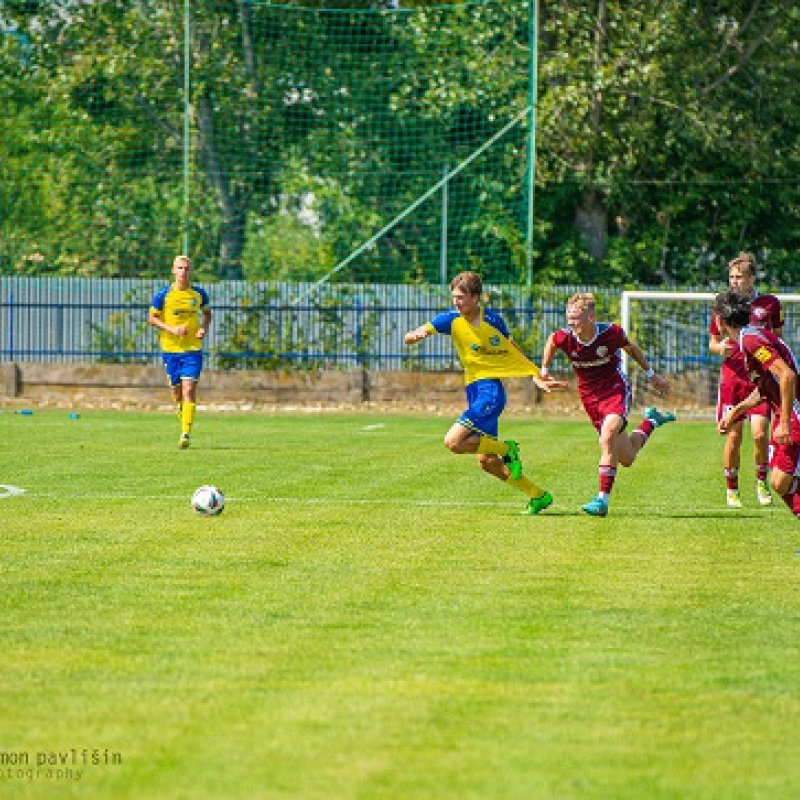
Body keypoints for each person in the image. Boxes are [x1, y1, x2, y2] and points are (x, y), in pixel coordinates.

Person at [403, 271, 567, 515]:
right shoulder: (450, 320)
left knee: (453, 442)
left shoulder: (492, 321)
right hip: (473, 389)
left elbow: (511, 352)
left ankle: (507, 449)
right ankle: (538, 495)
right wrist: (415, 337)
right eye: (454, 297)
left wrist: (535, 375)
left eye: (461, 297)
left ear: (476, 297)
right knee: (487, 462)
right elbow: (412, 334)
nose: (456, 302)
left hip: (490, 392)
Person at [540, 292, 675, 518]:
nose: (572, 323)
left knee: (607, 435)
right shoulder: (565, 338)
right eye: (569, 318)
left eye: (576, 318)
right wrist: (544, 370)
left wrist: (651, 374)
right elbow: (552, 342)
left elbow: (631, 348)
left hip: (614, 389)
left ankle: (601, 501)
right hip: (589, 397)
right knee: (627, 457)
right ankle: (652, 420)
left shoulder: (611, 333)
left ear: (591, 317)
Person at [715, 290, 800, 522]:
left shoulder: (751, 341)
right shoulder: (749, 338)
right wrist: (736, 411)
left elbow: (787, 376)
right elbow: (764, 389)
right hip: (788, 412)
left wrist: (783, 423)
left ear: (719, 321)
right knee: (778, 482)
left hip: (794, 414)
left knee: (781, 481)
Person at [708, 252, 783, 508]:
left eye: (739, 277)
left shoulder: (769, 304)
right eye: (731, 277)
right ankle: (732, 489)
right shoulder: (723, 305)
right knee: (733, 436)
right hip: (732, 378)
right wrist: (720, 349)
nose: (735, 281)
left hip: (759, 378)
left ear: (752, 278)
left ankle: (762, 481)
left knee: (760, 434)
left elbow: (777, 339)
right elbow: (713, 342)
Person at [148, 255, 212, 449]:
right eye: (180, 268)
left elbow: (208, 314)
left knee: (189, 390)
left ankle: (185, 433)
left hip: (192, 350)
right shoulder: (163, 295)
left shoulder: (198, 294)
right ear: (173, 270)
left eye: (186, 268)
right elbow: (151, 318)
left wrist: (203, 328)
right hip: (170, 350)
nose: (183, 272)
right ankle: (181, 410)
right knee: (177, 393)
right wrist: (171, 329)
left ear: (190, 271)